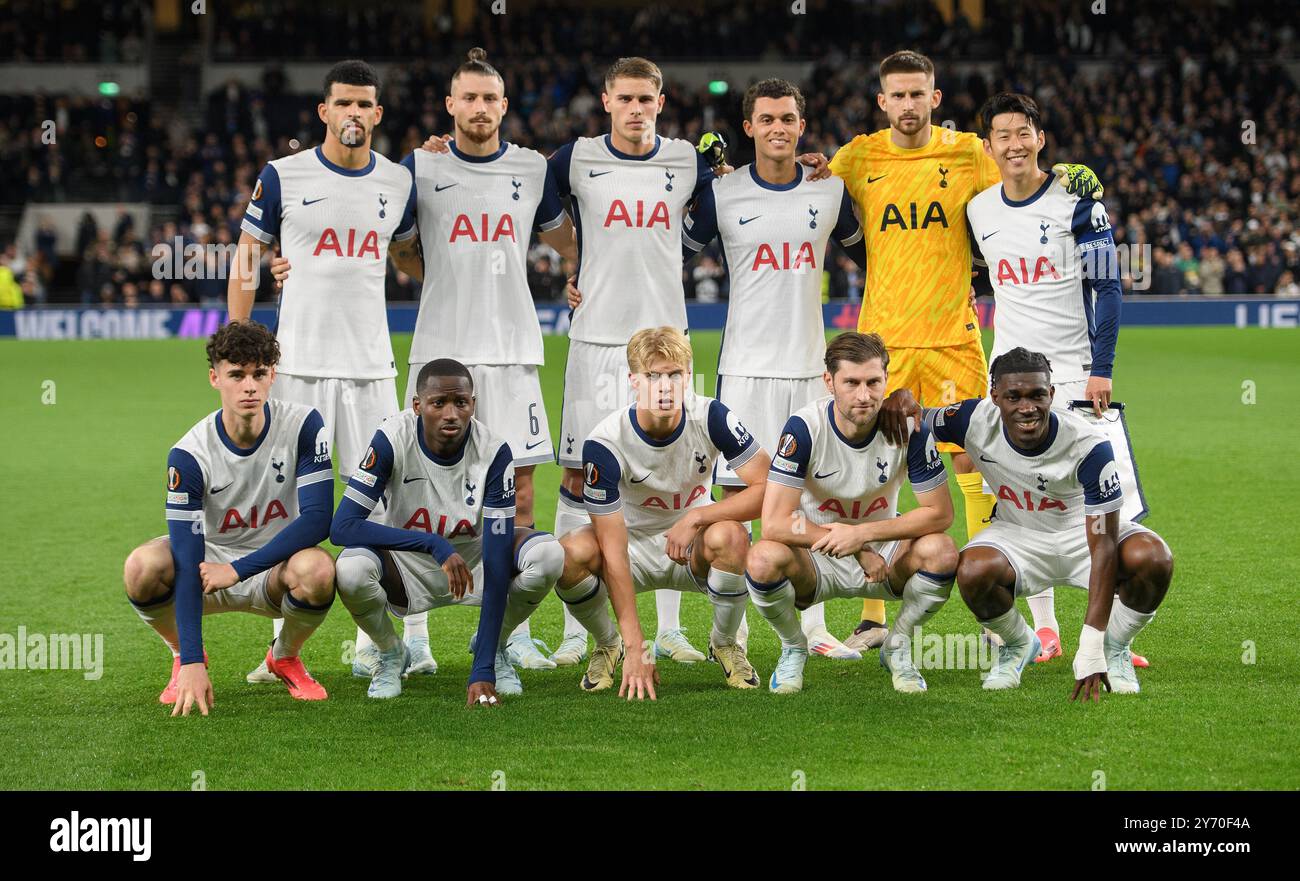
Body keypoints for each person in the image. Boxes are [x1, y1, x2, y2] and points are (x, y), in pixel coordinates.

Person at [825, 50, 1104, 652]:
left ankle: (997, 611)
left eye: (917, 94)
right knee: (877, 471)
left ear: (936, 97)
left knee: (979, 464)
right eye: (896, 95)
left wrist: (1072, 177)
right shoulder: (858, 155)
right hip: (885, 343)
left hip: (955, 337)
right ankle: (873, 615)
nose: (907, 105)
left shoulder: (969, 152)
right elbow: (811, 191)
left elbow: (1021, 174)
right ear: (882, 101)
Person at [227, 59, 432, 683]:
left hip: (371, 367)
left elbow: (411, 259)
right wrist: (239, 351)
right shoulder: (284, 176)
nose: (353, 114)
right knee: (290, 509)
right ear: (324, 111)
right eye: (342, 103)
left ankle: (410, 641)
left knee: (392, 504)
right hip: (299, 369)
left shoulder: (398, 182)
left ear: (377, 113)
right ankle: (282, 650)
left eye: (364, 105)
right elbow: (246, 256)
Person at [682, 78, 869, 661]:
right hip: (742, 371)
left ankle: (810, 633)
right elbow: (668, 248)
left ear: (801, 124)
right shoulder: (723, 193)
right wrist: (692, 175)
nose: (778, 128)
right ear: (749, 128)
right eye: (766, 119)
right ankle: (729, 637)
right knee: (739, 505)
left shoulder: (830, 190)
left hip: (809, 371)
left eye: (787, 118)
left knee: (806, 504)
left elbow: (873, 253)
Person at [966, 91, 1150, 665]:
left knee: (1112, 508)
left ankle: (1114, 640)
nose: (1015, 144)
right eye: (1003, 135)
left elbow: (1109, 287)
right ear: (989, 145)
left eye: (1024, 132)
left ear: (1040, 138)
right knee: (1028, 503)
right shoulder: (979, 211)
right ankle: (1044, 631)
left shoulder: (1078, 203)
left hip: (1073, 377)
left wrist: (1102, 369)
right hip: (1014, 381)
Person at [927, 348, 1174, 698]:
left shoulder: (1089, 444)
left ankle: (1114, 648)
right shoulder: (970, 419)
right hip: (1017, 534)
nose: (1027, 407)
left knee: (1152, 558)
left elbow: (1104, 545)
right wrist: (902, 403)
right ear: (994, 396)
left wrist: (1091, 645)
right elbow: (914, 421)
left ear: (1052, 394)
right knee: (973, 570)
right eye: (1013, 396)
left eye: (1037, 395)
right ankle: (1018, 645)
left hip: (1082, 535)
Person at [122, 320, 335, 716]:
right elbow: (187, 559)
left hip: (274, 564)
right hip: (207, 567)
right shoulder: (188, 455)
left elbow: (319, 520)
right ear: (214, 378)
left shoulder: (305, 426)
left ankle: (284, 657)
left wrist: (238, 570)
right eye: (236, 375)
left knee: (319, 570)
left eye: (258, 373)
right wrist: (191, 661)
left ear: (274, 374)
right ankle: (181, 654)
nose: (249, 386)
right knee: (142, 566)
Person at [330, 359, 567, 704]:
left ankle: (495, 648)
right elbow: (343, 527)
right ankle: (391, 652)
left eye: (461, 402)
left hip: (475, 560)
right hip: (407, 562)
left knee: (548, 554)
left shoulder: (494, 451)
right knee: (350, 569)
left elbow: (498, 557)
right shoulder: (390, 439)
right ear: (417, 406)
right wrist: (433, 544)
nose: (451, 414)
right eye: (438, 403)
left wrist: (482, 669)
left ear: (474, 404)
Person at [555, 327, 770, 699]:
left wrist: (696, 517)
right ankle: (610, 644)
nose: (666, 386)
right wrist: (637, 644)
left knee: (733, 536)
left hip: (693, 546)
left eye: (675, 374)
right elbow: (613, 546)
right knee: (568, 555)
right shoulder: (605, 442)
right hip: (630, 548)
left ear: (688, 376)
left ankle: (724, 642)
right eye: (654, 376)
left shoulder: (712, 417)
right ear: (633, 381)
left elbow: (768, 488)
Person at [745, 332, 957, 694]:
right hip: (817, 556)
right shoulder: (805, 428)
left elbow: (939, 514)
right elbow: (776, 522)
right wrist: (852, 542)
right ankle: (794, 646)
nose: (864, 395)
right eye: (852, 383)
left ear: (887, 380)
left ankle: (898, 645)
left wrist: (864, 536)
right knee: (762, 559)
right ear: (829, 382)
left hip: (884, 557)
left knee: (942, 551)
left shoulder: (908, 428)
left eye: (874, 382)